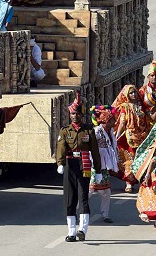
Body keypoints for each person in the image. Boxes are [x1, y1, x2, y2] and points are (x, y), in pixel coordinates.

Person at [55, 91, 102, 242]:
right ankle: (71, 231)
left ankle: (82, 229)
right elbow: (61, 147)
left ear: (82, 115)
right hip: (70, 165)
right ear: (70, 115)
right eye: (73, 114)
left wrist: (99, 170)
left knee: (83, 198)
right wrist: (60, 163)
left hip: (84, 165)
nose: (76, 116)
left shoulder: (89, 130)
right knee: (70, 199)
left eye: (78, 114)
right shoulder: (65, 131)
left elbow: (95, 151)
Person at [114, 84, 154, 193]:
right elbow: (123, 122)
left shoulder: (142, 105)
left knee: (143, 159)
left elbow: (151, 117)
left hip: (143, 138)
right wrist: (117, 136)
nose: (133, 94)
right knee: (129, 161)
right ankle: (129, 184)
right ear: (127, 95)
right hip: (130, 138)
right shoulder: (125, 107)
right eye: (131, 93)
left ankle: (143, 180)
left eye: (135, 92)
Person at [88, 105, 119, 224]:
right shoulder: (97, 131)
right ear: (105, 120)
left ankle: (105, 214)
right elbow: (92, 149)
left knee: (106, 191)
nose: (114, 122)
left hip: (104, 166)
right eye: (112, 120)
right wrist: (94, 164)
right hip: (96, 165)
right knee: (90, 190)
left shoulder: (110, 131)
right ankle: (78, 210)